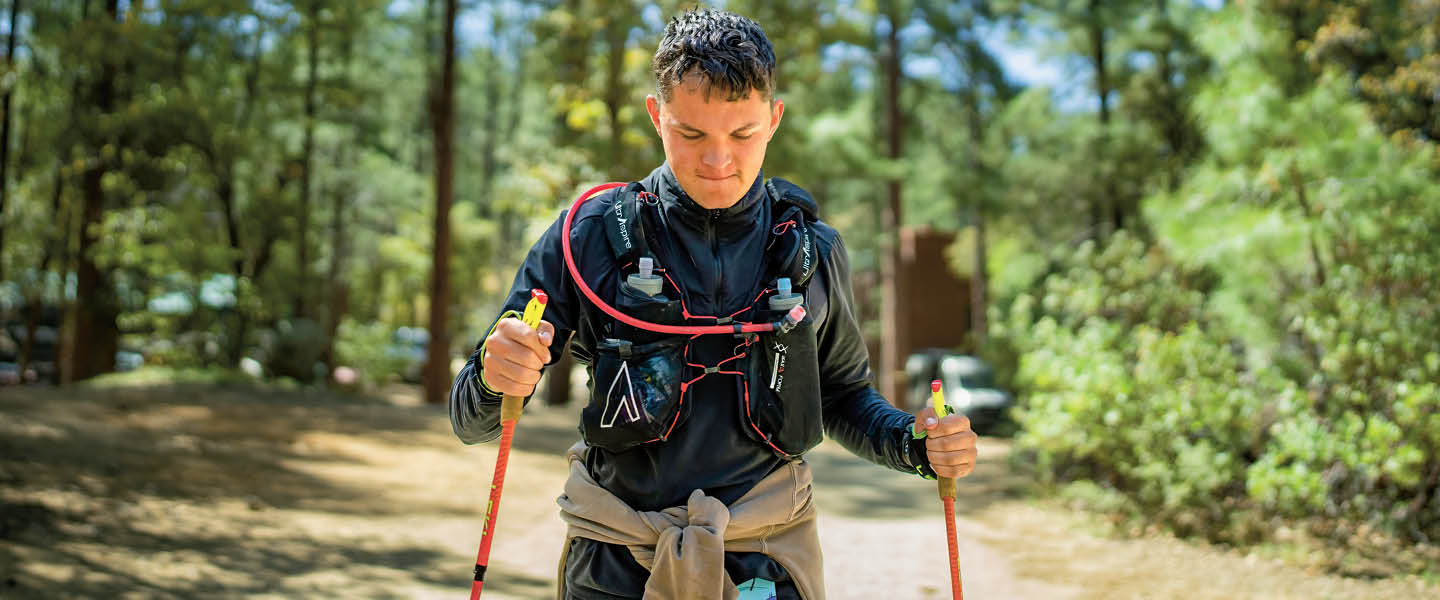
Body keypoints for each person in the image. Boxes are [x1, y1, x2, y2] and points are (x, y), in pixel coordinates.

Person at [449, 8, 978, 599]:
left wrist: (915, 443)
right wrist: (498, 379)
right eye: (691, 133)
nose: (718, 161)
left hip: (767, 560)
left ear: (775, 119)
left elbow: (843, 396)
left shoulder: (815, 251)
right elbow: (470, 418)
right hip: (614, 561)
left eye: (743, 134)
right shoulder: (587, 234)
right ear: (657, 115)